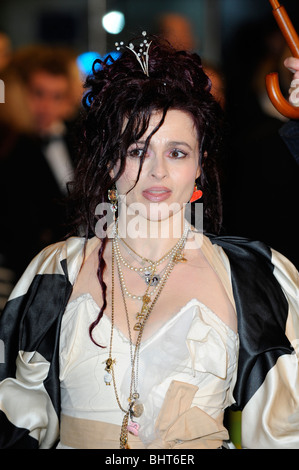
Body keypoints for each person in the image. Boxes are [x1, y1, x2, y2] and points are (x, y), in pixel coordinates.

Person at [0, 33, 299, 450]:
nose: (157, 171)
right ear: (109, 163)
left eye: (177, 152)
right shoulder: (55, 271)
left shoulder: (255, 277)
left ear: (200, 165)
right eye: (138, 150)